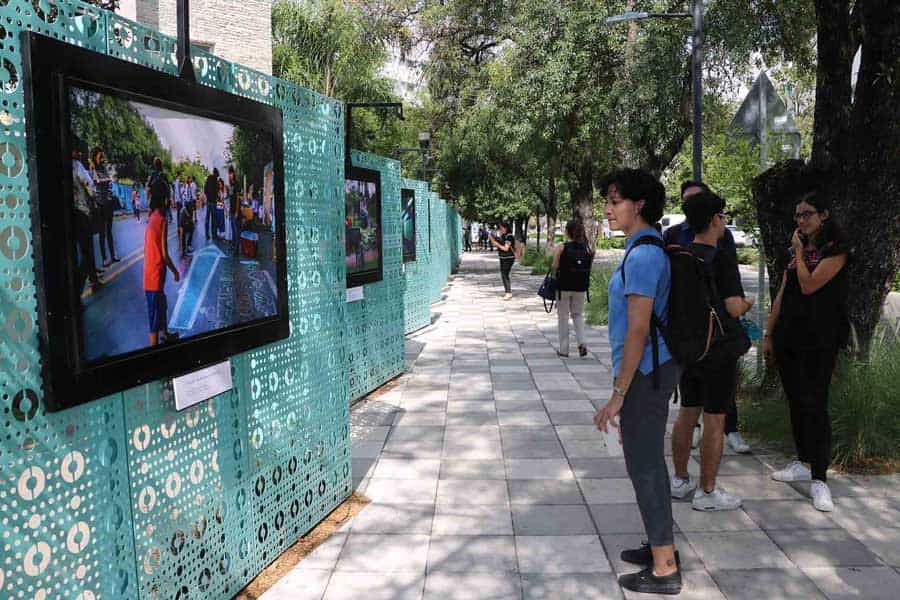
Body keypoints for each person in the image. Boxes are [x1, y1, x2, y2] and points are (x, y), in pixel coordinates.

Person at [594, 168, 681, 595]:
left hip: (645, 375)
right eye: (608, 201)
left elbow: (638, 330)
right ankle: (659, 546)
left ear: (639, 204)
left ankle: (665, 568)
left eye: (615, 201)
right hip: (647, 371)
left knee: (644, 466)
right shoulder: (642, 249)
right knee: (648, 464)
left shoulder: (645, 255)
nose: (608, 209)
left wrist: (617, 395)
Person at [670, 190, 755, 511]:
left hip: (690, 349)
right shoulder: (720, 257)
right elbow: (733, 307)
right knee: (715, 420)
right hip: (718, 351)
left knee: (687, 413)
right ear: (715, 219)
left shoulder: (679, 255)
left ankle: (679, 481)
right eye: (723, 217)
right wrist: (749, 304)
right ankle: (707, 492)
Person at [765, 192, 849, 512]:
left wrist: (800, 253)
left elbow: (810, 284)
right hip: (789, 337)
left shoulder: (835, 250)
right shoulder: (797, 252)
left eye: (808, 214)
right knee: (797, 400)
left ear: (824, 215)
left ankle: (820, 478)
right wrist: (769, 334)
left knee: (816, 404)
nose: (801, 220)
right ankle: (802, 460)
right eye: (798, 215)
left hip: (820, 340)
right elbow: (783, 294)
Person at [144, 186, 180, 346]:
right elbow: (164, 254)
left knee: (161, 306)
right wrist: (175, 271)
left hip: (150, 274)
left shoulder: (152, 216)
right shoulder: (162, 219)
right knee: (154, 319)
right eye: (167, 197)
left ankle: (165, 334)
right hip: (155, 277)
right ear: (162, 200)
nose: (170, 200)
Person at [552, 219, 594, 358]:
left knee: (563, 317)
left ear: (567, 232)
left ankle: (564, 350)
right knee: (578, 315)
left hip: (563, 286)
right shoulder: (588, 249)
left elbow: (554, 266)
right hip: (581, 287)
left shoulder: (561, 247)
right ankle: (582, 343)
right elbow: (589, 267)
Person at [71, 148, 102, 294]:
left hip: (72, 215)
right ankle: (78, 290)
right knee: (87, 252)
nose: (80, 153)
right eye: (77, 150)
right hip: (82, 212)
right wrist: (95, 199)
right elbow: (89, 185)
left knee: (82, 251)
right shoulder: (76, 165)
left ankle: (94, 280)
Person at [91, 148, 118, 267]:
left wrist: (104, 180)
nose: (101, 158)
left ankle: (113, 256)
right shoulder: (93, 170)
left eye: (102, 156)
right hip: (100, 204)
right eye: (99, 156)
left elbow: (108, 180)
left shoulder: (104, 168)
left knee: (109, 232)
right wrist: (93, 169)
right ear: (94, 157)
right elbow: (96, 180)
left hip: (108, 203)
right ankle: (104, 259)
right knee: (102, 232)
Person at [489, 223, 516, 300]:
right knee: (504, 275)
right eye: (499, 228)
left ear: (506, 228)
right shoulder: (504, 236)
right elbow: (499, 243)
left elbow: (505, 248)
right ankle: (508, 292)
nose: (500, 230)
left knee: (505, 275)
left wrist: (496, 243)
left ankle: (508, 293)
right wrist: (493, 240)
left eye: (501, 228)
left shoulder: (509, 236)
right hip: (503, 258)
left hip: (508, 258)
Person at [228, 166, 241, 255]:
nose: (230, 175)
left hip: (236, 211)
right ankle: (233, 246)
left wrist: (236, 211)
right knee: (233, 229)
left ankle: (237, 250)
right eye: (229, 173)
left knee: (236, 231)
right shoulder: (231, 184)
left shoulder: (236, 184)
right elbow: (230, 198)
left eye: (231, 173)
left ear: (234, 174)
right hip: (231, 210)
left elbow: (237, 198)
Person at [204, 168, 219, 240]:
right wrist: (215, 198)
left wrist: (207, 196)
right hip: (213, 202)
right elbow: (217, 191)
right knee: (214, 219)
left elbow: (205, 189)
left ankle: (207, 235)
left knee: (207, 219)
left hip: (208, 201)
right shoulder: (216, 180)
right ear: (216, 174)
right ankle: (214, 235)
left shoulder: (208, 178)